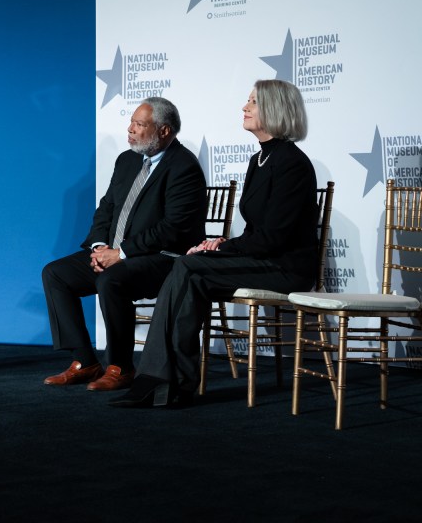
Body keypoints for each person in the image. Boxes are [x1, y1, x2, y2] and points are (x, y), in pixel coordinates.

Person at [111, 79, 317, 408]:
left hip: (285, 268)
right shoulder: (259, 160)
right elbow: (258, 232)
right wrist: (221, 242)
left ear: (276, 109)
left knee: (190, 268)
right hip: (263, 260)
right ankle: (163, 380)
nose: (244, 107)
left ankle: (164, 381)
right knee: (187, 269)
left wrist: (222, 248)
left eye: (253, 102)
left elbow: (276, 238)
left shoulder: (292, 164)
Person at [41, 97, 207, 392]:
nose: (130, 129)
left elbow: (173, 229)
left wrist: (121, 253)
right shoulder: (127, 160)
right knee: (55, 274)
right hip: (116, 253)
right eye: (131, 122)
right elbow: (106, 208)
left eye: (139, 125)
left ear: (164, 130)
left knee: (112, 279)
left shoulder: (184, 167)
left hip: (163, 259)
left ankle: (120, 367)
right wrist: (99, 248)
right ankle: (84, 361)